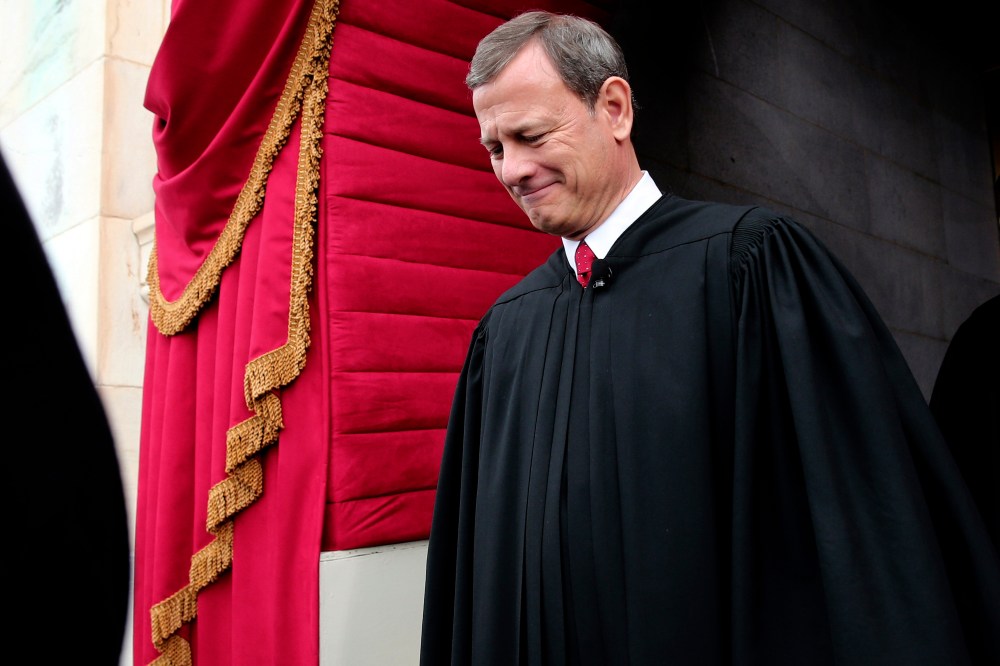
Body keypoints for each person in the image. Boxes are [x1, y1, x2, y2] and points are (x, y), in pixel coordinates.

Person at [419, 11, 1000, 666]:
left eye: (530, 135)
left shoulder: (754, 268)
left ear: (613, 109)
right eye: (495, 149)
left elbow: (854, 536)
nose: (514, 170)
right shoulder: (507, 331)